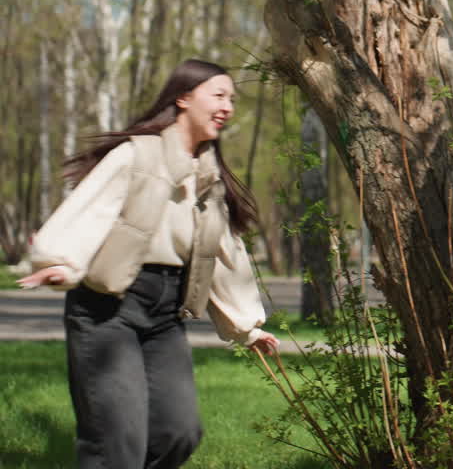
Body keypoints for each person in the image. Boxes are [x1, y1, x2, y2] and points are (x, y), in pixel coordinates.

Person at [18, 58, 280, 469]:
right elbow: (92, 208)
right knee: (117, 440)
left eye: (232, 98)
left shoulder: (209, 177)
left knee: (179, 433)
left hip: (165, 314)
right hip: (107, 311)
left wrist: (248, 327)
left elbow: (225, 254)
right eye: (219, 95)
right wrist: (61, 261)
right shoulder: (135, 156)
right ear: (183, 98)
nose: (228, 106)